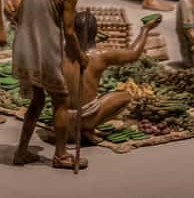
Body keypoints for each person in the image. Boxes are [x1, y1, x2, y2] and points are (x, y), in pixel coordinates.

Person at [11, 0, 87, 170]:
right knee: (61, 100)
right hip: (45, 52)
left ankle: (21, 151)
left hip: (24, 49)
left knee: (37, 100)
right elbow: (69, 31)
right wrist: (80, 56)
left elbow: (16, 15)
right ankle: (61, 155)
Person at [63, 12, 161, 143]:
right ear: (95, 32)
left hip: (62, 116)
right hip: (85, 116)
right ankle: (87, 127)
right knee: (125, 96)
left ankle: (77, 127)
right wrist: (145, 29)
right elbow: (133, 54)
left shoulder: (61, 52)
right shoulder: (99, 55)